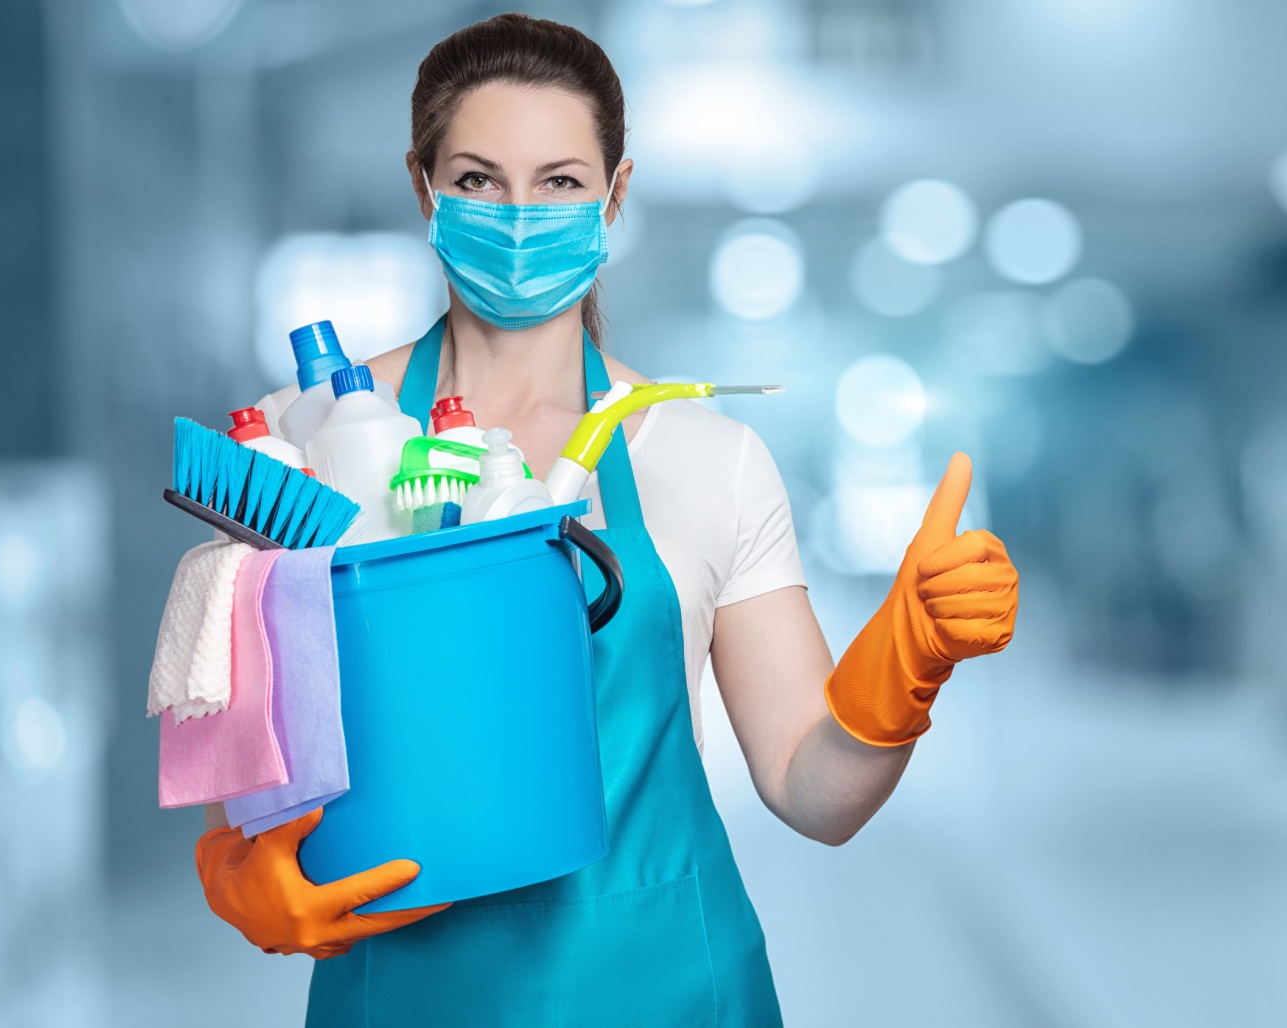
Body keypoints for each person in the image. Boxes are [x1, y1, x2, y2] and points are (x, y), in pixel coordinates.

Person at [187, 13, 1019, 1024]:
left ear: (615, 195)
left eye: (561, 181)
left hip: (670, 989)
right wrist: (233, 866)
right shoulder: (299, 441)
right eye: (480, 179)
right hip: (402, 995)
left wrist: (907, 664)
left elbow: (814, 789)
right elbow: (237, 755)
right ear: (424, 186)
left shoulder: (705, 457)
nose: (520, 216)